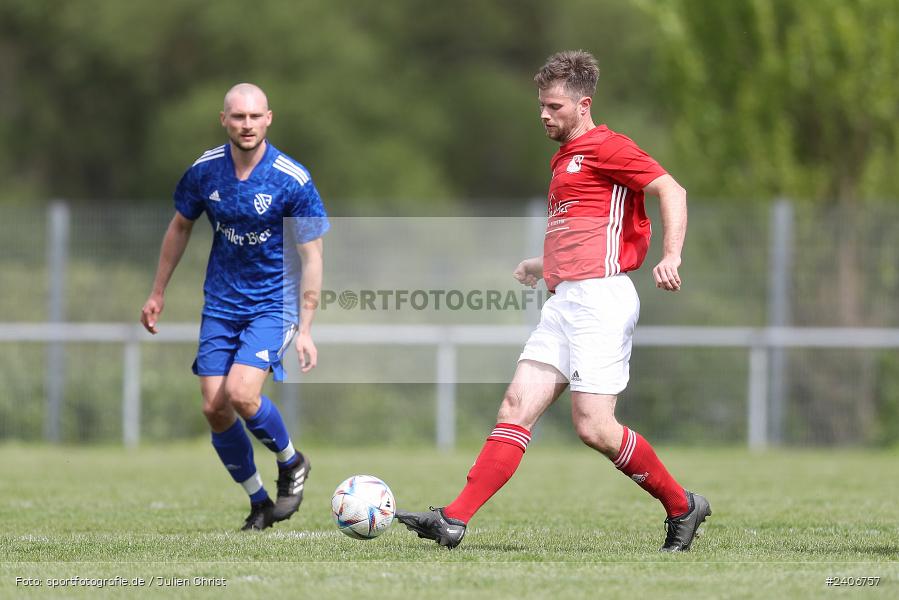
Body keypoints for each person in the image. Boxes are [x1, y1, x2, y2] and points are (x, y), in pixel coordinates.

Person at [396, 50, 710, 551]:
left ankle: (682, 505)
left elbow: (672, 189)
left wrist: (671, 255)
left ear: (583, 105)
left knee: (594, 427)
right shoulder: (564, 157)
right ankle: (453, 519)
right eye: (541, 105)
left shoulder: (608, 146)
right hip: (565, 301)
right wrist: (543, 266)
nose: (545, 114)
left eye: (555, 106)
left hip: (601, 301)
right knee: (516, 405)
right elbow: (588, 229)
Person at [140, 83, 329, 531]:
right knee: (214, 407)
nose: (247, 124)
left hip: (273, 304)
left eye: (254, 116)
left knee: (243, 394)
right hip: (221, 305)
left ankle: (292, 462)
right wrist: (157, 292)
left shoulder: (291, 178)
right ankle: (259, 501)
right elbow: (180, 227)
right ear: (223, 119)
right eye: (238, 117)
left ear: (269, 119)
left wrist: (305, 328)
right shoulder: (206, 172)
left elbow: (313, 255)